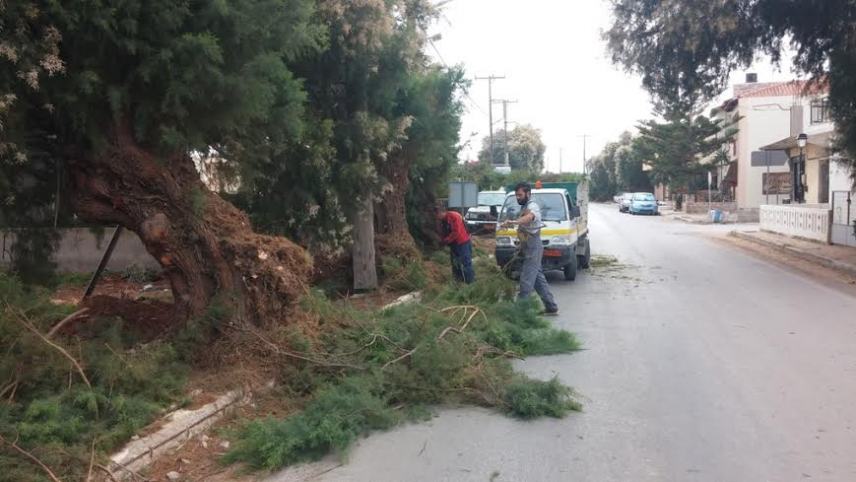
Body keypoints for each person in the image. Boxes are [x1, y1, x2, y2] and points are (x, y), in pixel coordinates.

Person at [500, 182, 558, 315]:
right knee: (538, 278)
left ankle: (519, 313)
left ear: (528, 194)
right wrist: (520, 245)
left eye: (520, 195)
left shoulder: (533, 206)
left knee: (526, 280)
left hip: (534, 247)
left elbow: (530, 217)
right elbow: (525, 228)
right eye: (516, 195)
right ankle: (551, 306)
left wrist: (514, 222)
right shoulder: (525, 206)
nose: (518, 198)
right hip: (527, 246)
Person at [437, 205, 475, 284]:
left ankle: (470, 283)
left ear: (441, 213)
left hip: (462, 242)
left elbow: (456, 232)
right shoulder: (443, 220)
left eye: (437, 215)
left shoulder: (454, 216)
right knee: (455, 264)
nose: (436, 218)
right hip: (453, 244)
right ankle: (458, 282)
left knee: (466, 263)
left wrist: (446, 240)